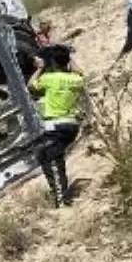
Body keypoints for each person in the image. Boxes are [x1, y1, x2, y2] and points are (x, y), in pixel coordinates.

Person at [28, 45, 84, 207]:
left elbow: (31, 85)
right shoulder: (75, 80)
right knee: (44, 154)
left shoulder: (49, 79)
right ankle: (58, 193)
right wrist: (67, 57)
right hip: (71, 125)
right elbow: (80, 73)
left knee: (52, 159)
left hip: (56, 126)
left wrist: (41, 68)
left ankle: (62, 200)